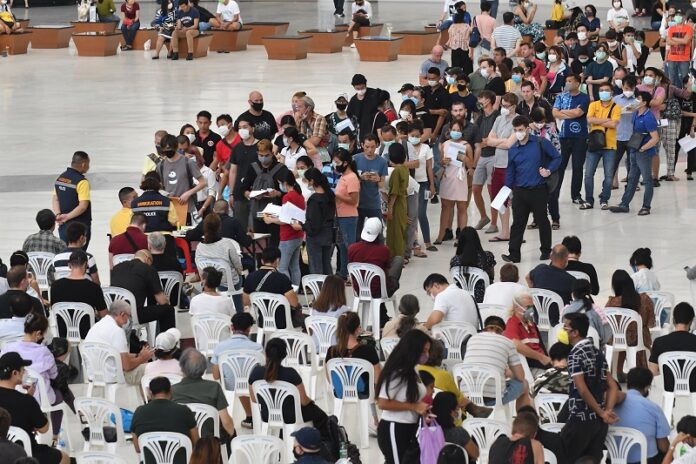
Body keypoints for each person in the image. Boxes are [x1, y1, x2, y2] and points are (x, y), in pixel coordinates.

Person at [539, 313, 620, 463]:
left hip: (581, 419)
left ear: (575, 333)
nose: (563, 331)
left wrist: (602, 412)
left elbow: (582, 390)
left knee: (566, 458)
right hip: (599, 423)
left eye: (566, 328)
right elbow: (613, 386)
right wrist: (606, 411)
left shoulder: (575, 354)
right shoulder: (597, 352)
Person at [2, 312, 73, 442]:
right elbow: (54, 375)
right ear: (38, 333)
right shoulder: (43, 352)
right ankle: (55, 436)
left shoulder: (9, 348)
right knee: (59, 396)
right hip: (40, 397)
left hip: (13, 393)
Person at [501, 116, 561, 264]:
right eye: (515, 131)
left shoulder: (540, 143)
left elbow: (557, 157)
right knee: (517, 224)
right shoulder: (513, 149)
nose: (518, 133)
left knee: (542, 220)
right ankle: (514, 254)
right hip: (520, 191)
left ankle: (546, 251)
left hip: (538, 189)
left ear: (527, 128)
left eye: (520, 130)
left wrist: (548, 170)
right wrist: (507, 192)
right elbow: (510, 172)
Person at [0, 352, 69, 464]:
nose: (24, 373)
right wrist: (30, 401)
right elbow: (44, 428)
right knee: (64, 457)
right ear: (15, 373)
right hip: (26, 453)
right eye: (23, 370)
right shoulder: (26, 401)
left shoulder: (26, 400)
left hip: (2, 455)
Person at [249, 338, 329, 433]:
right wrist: (311, 401)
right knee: (321, 415)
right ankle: (325, 443)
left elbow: (254, 399)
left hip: (267, 415)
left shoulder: (256, 372)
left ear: (266, 354)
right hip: (291, 416)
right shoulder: (291, 374)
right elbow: (303, 401)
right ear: (284, 355)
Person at [376, 329, 431, 464]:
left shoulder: (413, 369)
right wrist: (414, 407)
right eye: (423, 351)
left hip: (409, 427)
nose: (426, 355)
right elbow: (382, 403)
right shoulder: (397, 373)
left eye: (427, 351)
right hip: (394, 428)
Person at [463, 316, 532, 408]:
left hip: (466, 396)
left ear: (485, 328)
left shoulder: (472, 339)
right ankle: (521, 420)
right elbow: (520, 377)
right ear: (503, 332)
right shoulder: (507, 342)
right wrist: (510, 373)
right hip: (492, 399)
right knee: (525, 384)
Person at [610, 90, 660, 216]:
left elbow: (655, 138)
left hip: (644, 152)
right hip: (634, 149)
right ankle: (624, 204)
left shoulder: (648, 117)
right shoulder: (636, 114)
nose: (636, 101)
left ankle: (646, 206)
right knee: (632, 179)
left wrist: (643, 148)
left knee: (647, 179)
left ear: (644, 102)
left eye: (638, 98)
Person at [325, 312, 381, 426]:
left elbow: (329, 378)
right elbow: (377, 378)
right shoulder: (368, 350)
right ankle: (376, 420)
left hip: (339, 391)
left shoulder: (331, 351)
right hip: (364, 392)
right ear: (357, 329)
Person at [171, 349, 235, 443]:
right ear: (204, 367)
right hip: (211, 440)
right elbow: (226, 421)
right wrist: (233, 435)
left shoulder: (172, 390)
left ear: (182, 368)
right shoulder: (214, 387)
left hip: (184, 440)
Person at [211, 312, 261, 429]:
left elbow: (215, 375)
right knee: (247, 379)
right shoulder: (258, 348)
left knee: (236, 377)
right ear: (249, 329)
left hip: (230, 385)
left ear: (231, 327)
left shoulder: (220, 347)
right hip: (252, 386)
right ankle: (253, 416)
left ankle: (247, 417)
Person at [551, 73, 590, 224]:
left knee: (577, 166)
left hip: (579, 136)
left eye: (570, 80)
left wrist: (563, 114)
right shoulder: (561, 96)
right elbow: (554, 113)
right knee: (559, 167)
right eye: (566, 81)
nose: (567, 83)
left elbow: (578, 113)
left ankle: (576, 195)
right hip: (562, 136)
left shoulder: (584, 97)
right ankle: (555, 194)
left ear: (578, 83)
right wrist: (568, 114)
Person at [131, 377, 199, 464]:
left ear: (150, 392)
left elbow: (138, 448)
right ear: (170, 390)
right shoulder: (184, 410)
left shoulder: (139, 412)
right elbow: (196, 443)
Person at [418, 340, 492, 418]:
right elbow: (456, 395)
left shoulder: (415, 370)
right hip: (445, 418)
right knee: (459, 398)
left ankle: (474, 409)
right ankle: (474, 409)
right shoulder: (442, 375)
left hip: (422, 415)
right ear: (440, 356)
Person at [85, 300, 152, 385]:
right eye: (129, 316)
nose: (128, 320)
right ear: (122, 314)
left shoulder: (98, 326)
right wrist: (143, 358)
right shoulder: (117, 331)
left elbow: (117, 354)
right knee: (152, 368)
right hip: (113, 378)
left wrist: (138, 355)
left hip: (93, 376)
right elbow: (126, 366)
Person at [612, 367, 670, 463]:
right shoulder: (654, 408)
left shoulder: (612, 404)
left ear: (628, 383)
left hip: (612, 460)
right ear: (647, 387)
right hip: (645, 460)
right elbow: (663, 447)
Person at [111, 250, 176, 333]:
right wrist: (167, 299)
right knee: (168, 309)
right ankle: (166, 343)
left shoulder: (117, 267)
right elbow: (162, 301)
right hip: (134, 314)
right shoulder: (148, 269)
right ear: (147, 259)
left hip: (115, 314)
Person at [261, 171, 305, 287]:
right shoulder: (299, 195)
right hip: (298, 235)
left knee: (282, 267)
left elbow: (284, 219)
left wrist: (270, 220)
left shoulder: (287, 197)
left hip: (287, 236)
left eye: (280, 183)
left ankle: (287, 291)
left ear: (285, 183)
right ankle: (295, 289)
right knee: (295, 266)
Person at [582, 82, 621, 210]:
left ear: (612, 93)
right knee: (588, 174)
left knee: (609, 176)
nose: (604, 92)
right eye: (601, 90)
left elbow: (614, 124)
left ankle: (604, 199)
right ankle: (589, 200)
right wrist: (606, 121)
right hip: (594, 145)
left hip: (609, 146)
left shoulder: (616, 107)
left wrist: (597, 120)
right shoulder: (593, 105)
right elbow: (589, 119)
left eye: (606, 90)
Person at [606, 269, 655, 372]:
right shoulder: (644, 299)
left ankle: (617, 371)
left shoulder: (611, 303)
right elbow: (651, 323)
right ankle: (640, 371)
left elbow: (607, 324)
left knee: (621, 334)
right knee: (635, 335)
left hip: (617, 340)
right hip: (639, 340)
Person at [486, 92, 519, 242]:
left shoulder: (518, 121)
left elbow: (509, 144)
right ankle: (504, 231)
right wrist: (501, 141)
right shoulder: (499, 119)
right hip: (497, 164)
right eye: (502, 106)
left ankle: (515, 230)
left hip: (510, 166)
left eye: (507, 106)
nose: (504, 108)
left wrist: (498, 142)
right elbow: (488, 140)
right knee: (497, 199)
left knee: (513, 199)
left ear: (514, 106)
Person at [242, 247, 302, 329]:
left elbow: (245, 302)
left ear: (262, 261)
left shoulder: (250, 277)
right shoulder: (282, 278)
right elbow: (294, 303)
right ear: (278, 261)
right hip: (282, 322)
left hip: (262, 321)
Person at [50, 251, 107, 334]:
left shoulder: (55, 286)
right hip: (87, 333)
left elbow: (54, 309)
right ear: (86, 265)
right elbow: (104, 316)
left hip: (63, 333)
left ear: (69, 265)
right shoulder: (94, 288)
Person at [195, 214, 243, 305]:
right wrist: (240, 273)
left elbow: (200, 268)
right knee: (239, 277)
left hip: (210, 282)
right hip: (229, 282)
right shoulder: (227, 244)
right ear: (219, 227)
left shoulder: (199, 247)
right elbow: (238, 266)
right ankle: (238, 309)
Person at [649, 302, 696, 386]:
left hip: (669, 385)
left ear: (673, 320)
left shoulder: (659, 342)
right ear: (691, 321)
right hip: (693, 386)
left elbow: (653, 371)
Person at [526, 244, 576, 324]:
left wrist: (534, 291)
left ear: (550, 257)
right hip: (559, 320)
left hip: (537, 317)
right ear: (566, 258)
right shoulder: (570, 280)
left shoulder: (540, 269)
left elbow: (527, 277)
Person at [504, 290, 550, 375]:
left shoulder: (532, 324)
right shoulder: (512, 323)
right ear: (516, 307)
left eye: (532, 307)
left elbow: (541, 347)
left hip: (544, 365)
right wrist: (541, 358)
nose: (531, 310)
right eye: (527, 307)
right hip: (531, 367)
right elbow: (515, 344)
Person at [52, 151, 91, 249]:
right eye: (88, 163)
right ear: (83, 164)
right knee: (79, 256)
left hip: (63, 226)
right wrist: (67, 217)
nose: (88, 167)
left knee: (65, 253)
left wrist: (58, 215)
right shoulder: (82, 182)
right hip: (79, 226)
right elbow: (83, 206)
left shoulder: (60, 178)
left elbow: (55, 199)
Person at [301, 168, 335, 275]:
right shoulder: (329, 195)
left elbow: (313, 224)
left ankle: (319, 290)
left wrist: (302, 226)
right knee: (326, 264)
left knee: (316, 267)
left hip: (316, 236)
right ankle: (329, 290)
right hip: (328, 234)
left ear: (312, 181)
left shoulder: (315, 199)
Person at [332, 148, 360, 279]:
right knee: (342, 246)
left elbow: (354, 200)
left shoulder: (352, 177)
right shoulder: (343, 176)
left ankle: (353, 273)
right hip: (340, 215)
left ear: (345, 163)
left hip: (348, 216)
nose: (335, 165)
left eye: (337, 162)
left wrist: (337, 196)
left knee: (350, 246)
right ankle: (344, 272)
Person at [450, 227, 496, 302]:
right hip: (484, 297)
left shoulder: (455, 260)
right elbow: (492, 276)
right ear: (477, 240)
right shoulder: (487, 256)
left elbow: (455, 279)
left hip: (463, 299)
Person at [431, 391, 480, 460]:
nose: (458, 411)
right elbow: (476, 455)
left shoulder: (428, 432)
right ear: (451, 412)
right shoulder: (459, 433)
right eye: (457, 408)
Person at [562, 279, 610, 348]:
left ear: (572, 293)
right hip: (592, 351)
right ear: (589, 292)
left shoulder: (565, 310)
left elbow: (561, 330)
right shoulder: (596, 310)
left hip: (568, 351)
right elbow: (605, 337)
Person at [385, 143, 409, 259]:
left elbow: (394, 192)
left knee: (394, 233)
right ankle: (400, 256)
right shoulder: (404, 169)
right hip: (403, 203)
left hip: (396, 204)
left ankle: (395, 257)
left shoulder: (396, 171)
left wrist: (390, 209)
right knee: (400, 230)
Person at [347, 73, 382, 141]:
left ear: (365, 85)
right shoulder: (353, 101)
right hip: (362, 132)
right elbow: (349, 116)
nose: (360, 90)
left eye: (362, 87)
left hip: (376, 129)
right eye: (357, 88)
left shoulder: (375, 94)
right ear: (354, 87)